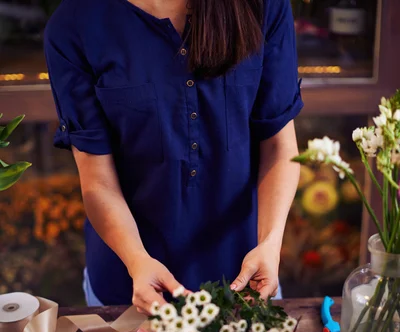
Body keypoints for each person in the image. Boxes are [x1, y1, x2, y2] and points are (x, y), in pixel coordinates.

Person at [44, 0, 303, 314]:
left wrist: (271, 243)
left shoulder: (263, 6)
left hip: (245, 278)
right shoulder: (75, 24)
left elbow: (279, 146)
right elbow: (98, 181)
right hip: (130, 287)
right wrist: (137, 260)